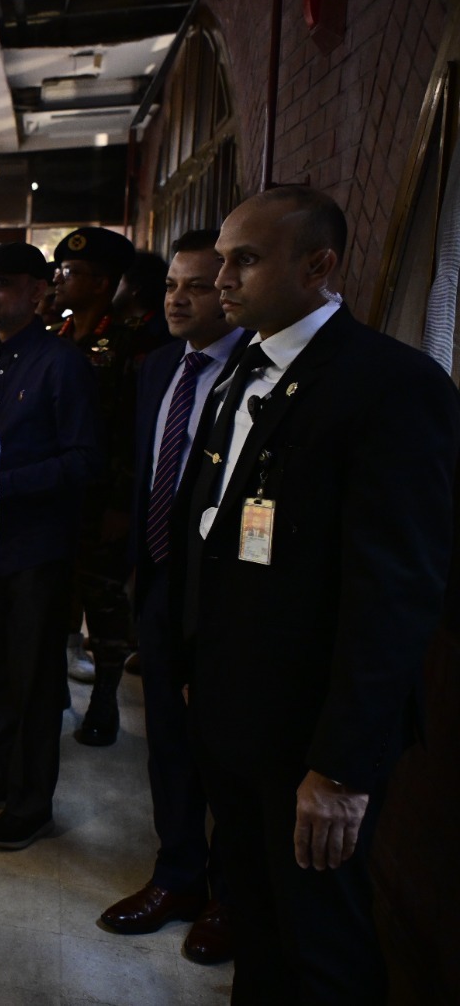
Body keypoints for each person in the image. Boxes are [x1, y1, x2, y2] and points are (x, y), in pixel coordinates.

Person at [169, 187, 460, 1001]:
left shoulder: (391, 384)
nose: (221, 280)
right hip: (234, 708)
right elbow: (215, 534)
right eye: (221, 261)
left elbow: (394, 592)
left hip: (311, 731)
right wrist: (196, 664)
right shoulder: (243, 368)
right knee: (255, 921)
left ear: (318, 265)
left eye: (246, 260)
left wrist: (340, 768)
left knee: (320, 941)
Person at [96, 228, 246, 963]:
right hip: (158, 578)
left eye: (198, 286)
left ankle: (232, 899)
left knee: (229, 753)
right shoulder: (160, 365)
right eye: (171, 286)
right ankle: (178, 876)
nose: (178, 300)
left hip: (226, 594)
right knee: (167, 745)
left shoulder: (254, 371)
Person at [0, 242, 100, 850]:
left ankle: (32, 802)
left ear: (38, 292)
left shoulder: (62, 364)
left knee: (32, 681)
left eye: (1, 283)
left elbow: (83, 462)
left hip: (34, 550)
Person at [50, 226, 162, 746]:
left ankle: (104, 700)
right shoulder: (59, 334)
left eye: (71, 273)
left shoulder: (133, 342)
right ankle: (56, 691)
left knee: (105, 602)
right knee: (58, 597)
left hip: (104, 499)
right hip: (58, 496)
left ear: (101, 283)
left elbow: (134, 432)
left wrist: (122, 503)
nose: (60, 280)